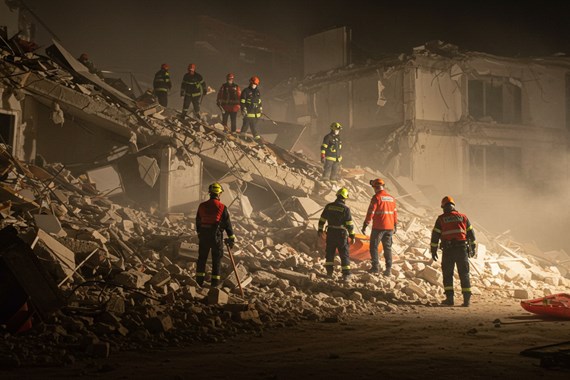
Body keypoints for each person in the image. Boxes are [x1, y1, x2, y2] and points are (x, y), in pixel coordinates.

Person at [430, 196, 477, 307]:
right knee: (464, 274)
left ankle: (450, 300)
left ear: (443, 207)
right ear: (453, 206)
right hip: (462, 250)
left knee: (447, 274)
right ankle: (466, 301)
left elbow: (435, 235)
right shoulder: (463, 217)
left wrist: (433, 250)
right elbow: (471, 234)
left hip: (448, 250)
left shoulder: (441, 219)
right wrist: (473, 247)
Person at [195, 182, 236, 288]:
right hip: (216, 237)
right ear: (219, 194)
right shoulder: (222, 207)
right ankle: (214, 284)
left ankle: (199, 282)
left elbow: (198, 221)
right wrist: (231, 238)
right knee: (216, 260)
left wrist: (200, 233)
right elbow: (227, 224)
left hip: (204, 235)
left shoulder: (202, 206)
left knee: (202, 259)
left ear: (210, 193)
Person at [318, 187, 355, 281]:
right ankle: (346, 275)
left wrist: (320, 230)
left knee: (329, 253)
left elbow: (322, 219)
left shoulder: (329, 206)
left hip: (330, 233)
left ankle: (329, 273)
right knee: (344, 254)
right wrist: (352, 236)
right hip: (341, 234)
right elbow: (349, 224)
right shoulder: (345, 209)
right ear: (345, 198)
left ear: (337, 196)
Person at [362, 178, 398, 276]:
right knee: (387, 248)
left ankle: (375, 268)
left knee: (373, 246)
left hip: (379, 227)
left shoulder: (376, 198)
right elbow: (394, 213)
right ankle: (388, 269)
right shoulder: (391, 198)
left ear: (375, 187)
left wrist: (366, 224)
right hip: (390, 227)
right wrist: (395, 224)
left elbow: (371, 212)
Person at [240, 76, 263, 144]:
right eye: (253, 84)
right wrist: (243, 108)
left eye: (255, 84)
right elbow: (242, 101)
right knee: (246, 126)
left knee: (253, 127)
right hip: (248, 112)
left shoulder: (257, 92)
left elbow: (259, 101)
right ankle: (242, 138)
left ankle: (257, 140)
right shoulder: (246, 91)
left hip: (256, 114)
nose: (254, 85)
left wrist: (260, 109)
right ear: (250, 83)